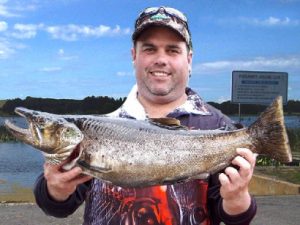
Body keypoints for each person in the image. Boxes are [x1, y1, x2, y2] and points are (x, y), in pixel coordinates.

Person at [34, 6, 257, 225]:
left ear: (189, 59)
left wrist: (237, 199)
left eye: (172, 50)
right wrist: (55, 188)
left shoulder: (221, 128)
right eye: (150, 49)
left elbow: (232, 215)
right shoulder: (101, 127)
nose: (161, 59)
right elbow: (58, 206)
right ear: (134, 56)